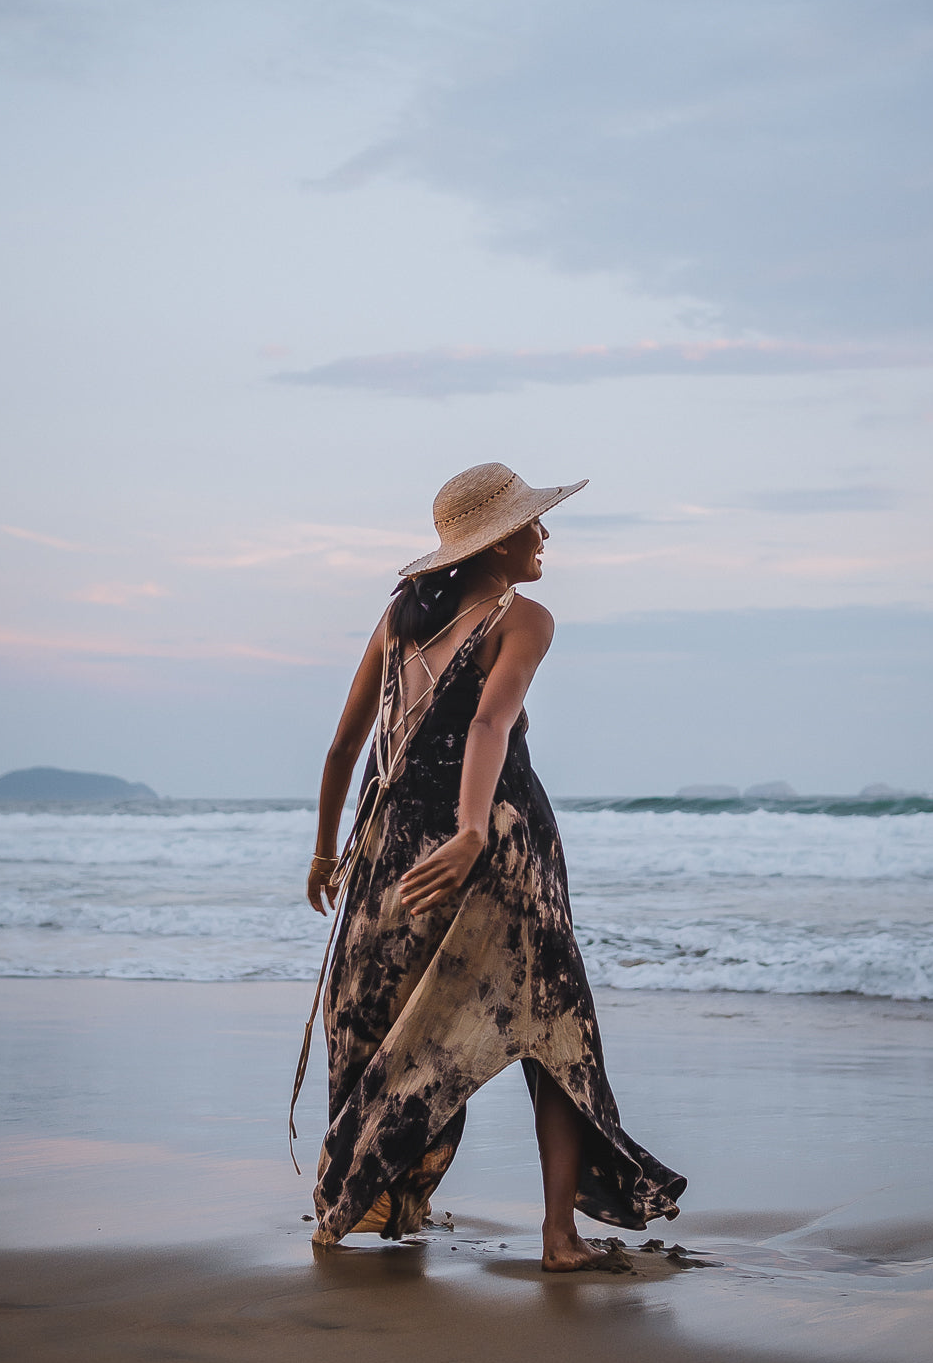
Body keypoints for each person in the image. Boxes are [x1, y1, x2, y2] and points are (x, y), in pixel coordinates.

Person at [292, 462, 686, 1271]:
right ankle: (558, 1239)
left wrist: (327, 851)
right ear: (498, 543)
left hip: (388, 851)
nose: (546, 534)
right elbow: (490, 723)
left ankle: (366, 1200)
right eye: (533, 524)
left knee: (374, 1021)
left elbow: (342, 748)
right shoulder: (525, 619)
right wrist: (472, 830)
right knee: (555, 1029)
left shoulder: (398, 618)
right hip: (501, 848)